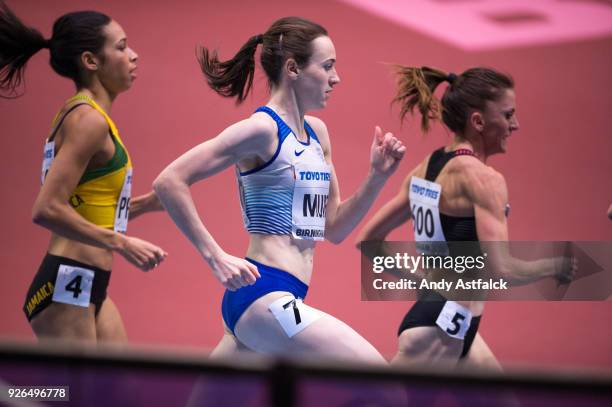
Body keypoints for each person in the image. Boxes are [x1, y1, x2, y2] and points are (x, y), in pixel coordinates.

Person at [154, 17, 405, 363]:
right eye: (328, 66)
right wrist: (215, 256)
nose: (337, 78)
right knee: (383, 381)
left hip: (277, 299)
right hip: (264, 296)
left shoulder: (317, 134)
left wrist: (376, 177)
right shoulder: (260, 130)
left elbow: (334, 227)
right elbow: (170, 180)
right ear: (293, 69)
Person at [356, 65, 576, 369]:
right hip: (439, 329)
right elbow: (503, 269)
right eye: (508, 115)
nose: (516, 125)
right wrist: (554, 266)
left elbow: (368, 241)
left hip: (456, 322)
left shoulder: (427, 168)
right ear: (478, 121)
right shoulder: (485, 180)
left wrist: (422, 280)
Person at [0, 2, 167, 342]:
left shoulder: (90, 116)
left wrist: (147, 204)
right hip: (67, 278)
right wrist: (122, 242)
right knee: (72, 396)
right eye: (121, 47)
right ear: (91, 61)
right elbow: (46, 210)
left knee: (121, 391)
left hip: (90, 280)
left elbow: (84, 208)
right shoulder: (87, 120)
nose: (133, 55)